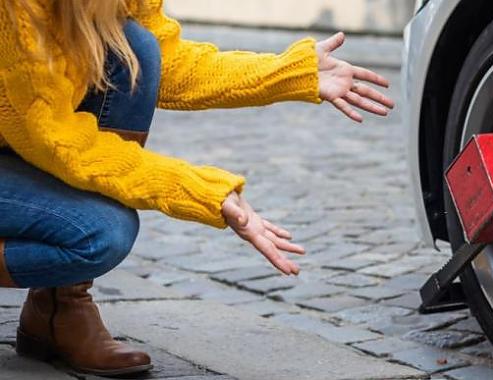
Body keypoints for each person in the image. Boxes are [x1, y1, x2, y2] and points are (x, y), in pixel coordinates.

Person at [0, 0, 394, 376]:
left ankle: (59, 309)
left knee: (133, 49)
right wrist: (202, 192)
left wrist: (289, 73)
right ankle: (60, 308)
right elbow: (58, 140)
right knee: (100, 235)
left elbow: (170, 64)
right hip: (37, 134)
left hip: (22, 141)